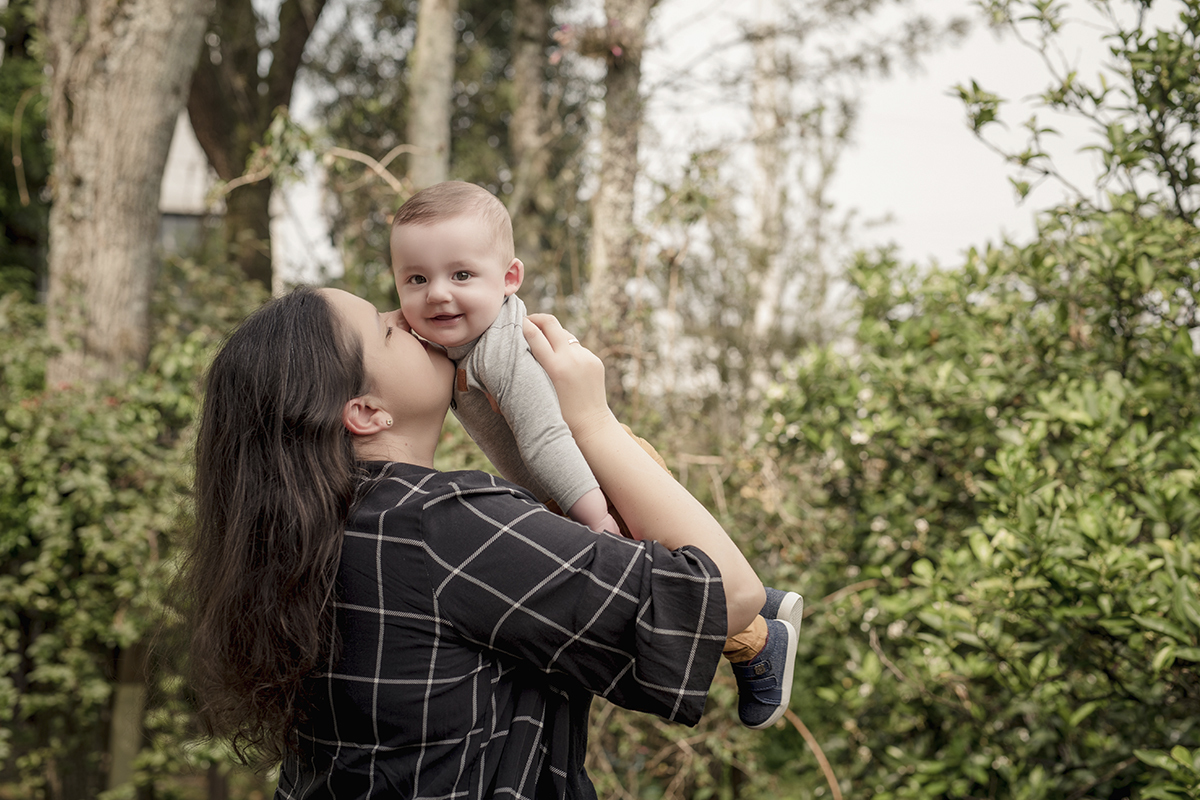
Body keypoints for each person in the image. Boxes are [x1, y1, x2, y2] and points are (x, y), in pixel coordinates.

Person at [184, 286, 771, 799]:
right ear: (366, 412)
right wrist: (592, 420)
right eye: (387, 329)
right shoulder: (440, 525)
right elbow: (730, 597)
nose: (408, 316)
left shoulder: (319, 533)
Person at [389, 181, 803, 729]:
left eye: (461, 275)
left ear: (509, 279)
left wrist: (593, 518)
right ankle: (767, 602)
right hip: (580, 481)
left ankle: (759, 644)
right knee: (678, 572)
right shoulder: (459, 337)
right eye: (416, 279)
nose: (438, 294)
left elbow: (545, 437)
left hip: (592, 480)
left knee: (670, 591)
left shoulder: (503, 350)